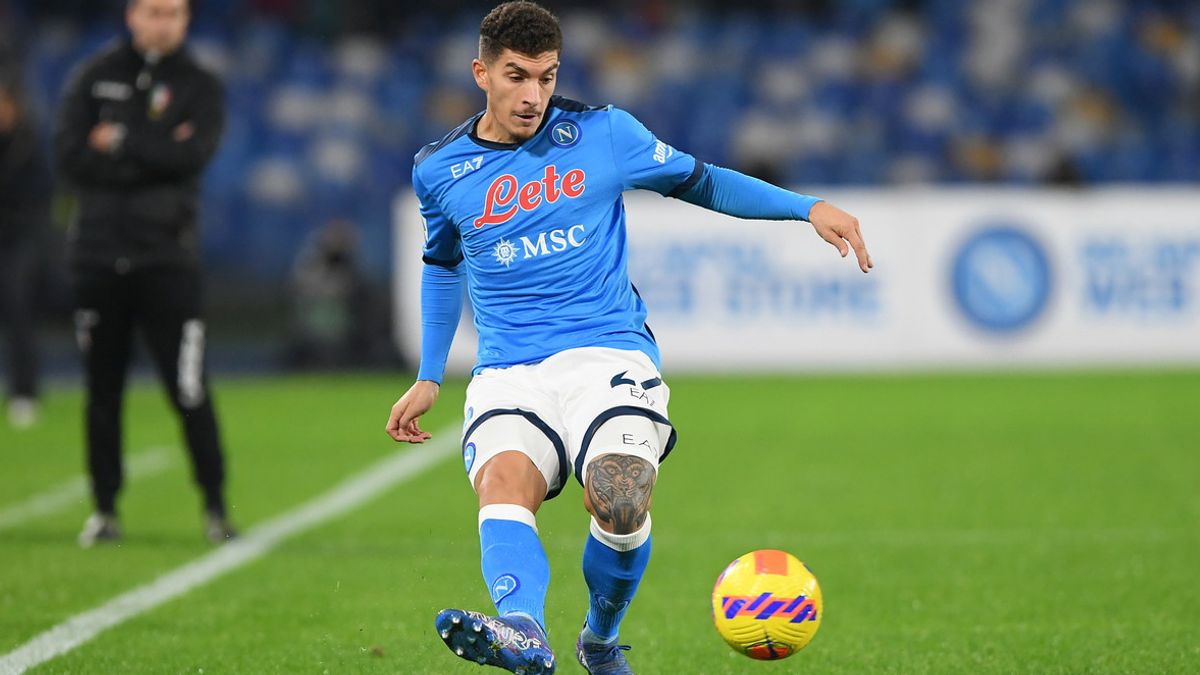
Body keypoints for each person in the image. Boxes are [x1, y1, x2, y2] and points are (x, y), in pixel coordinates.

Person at [384, 3, 872, 673]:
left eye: (547, 77)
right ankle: (523, 629)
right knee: (504, 482)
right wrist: (430, 374)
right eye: (517, 76)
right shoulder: (440, 169)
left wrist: (804, 206)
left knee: (620, 495)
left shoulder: (604, 133)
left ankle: (599, 639)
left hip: (606, 352)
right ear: (481, 73)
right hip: (508, 369)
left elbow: (703, 182)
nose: (533, 96)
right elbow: (442, 264)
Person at [54, 0, 236, 547]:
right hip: (97, 257)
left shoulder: (200, 84)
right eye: (153, 12)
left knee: (188, 387)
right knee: (101, 391)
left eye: (173, 13)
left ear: (186, 20)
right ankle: (104, 509)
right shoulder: (92, 76)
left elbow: (192, 157)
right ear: (132, 15)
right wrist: (157, 146)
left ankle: (215, 506)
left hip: (167, 260)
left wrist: (119, 140)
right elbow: (69, 157)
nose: (163, 22)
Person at [0, 67, 50, 429]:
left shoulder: (28, 144)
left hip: (21, 237)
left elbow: (41, 194)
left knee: (18, 302)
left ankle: (25, 391)